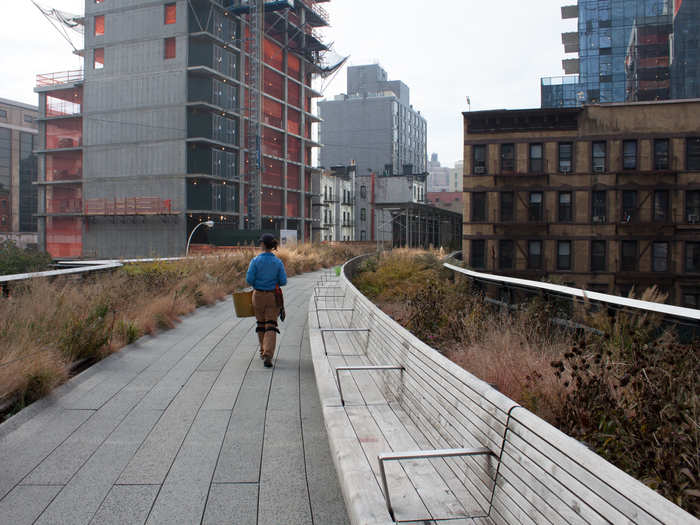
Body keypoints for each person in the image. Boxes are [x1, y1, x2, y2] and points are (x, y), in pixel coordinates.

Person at [246, 234, 287, 368]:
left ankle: (263, 351)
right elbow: (283, 281)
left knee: (261, 324)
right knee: (271, 324)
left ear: (263, 245)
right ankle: (268, 354)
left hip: (257, 295)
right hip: (272, 296)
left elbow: (249, 280)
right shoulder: (278, 262)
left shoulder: (255, 261)